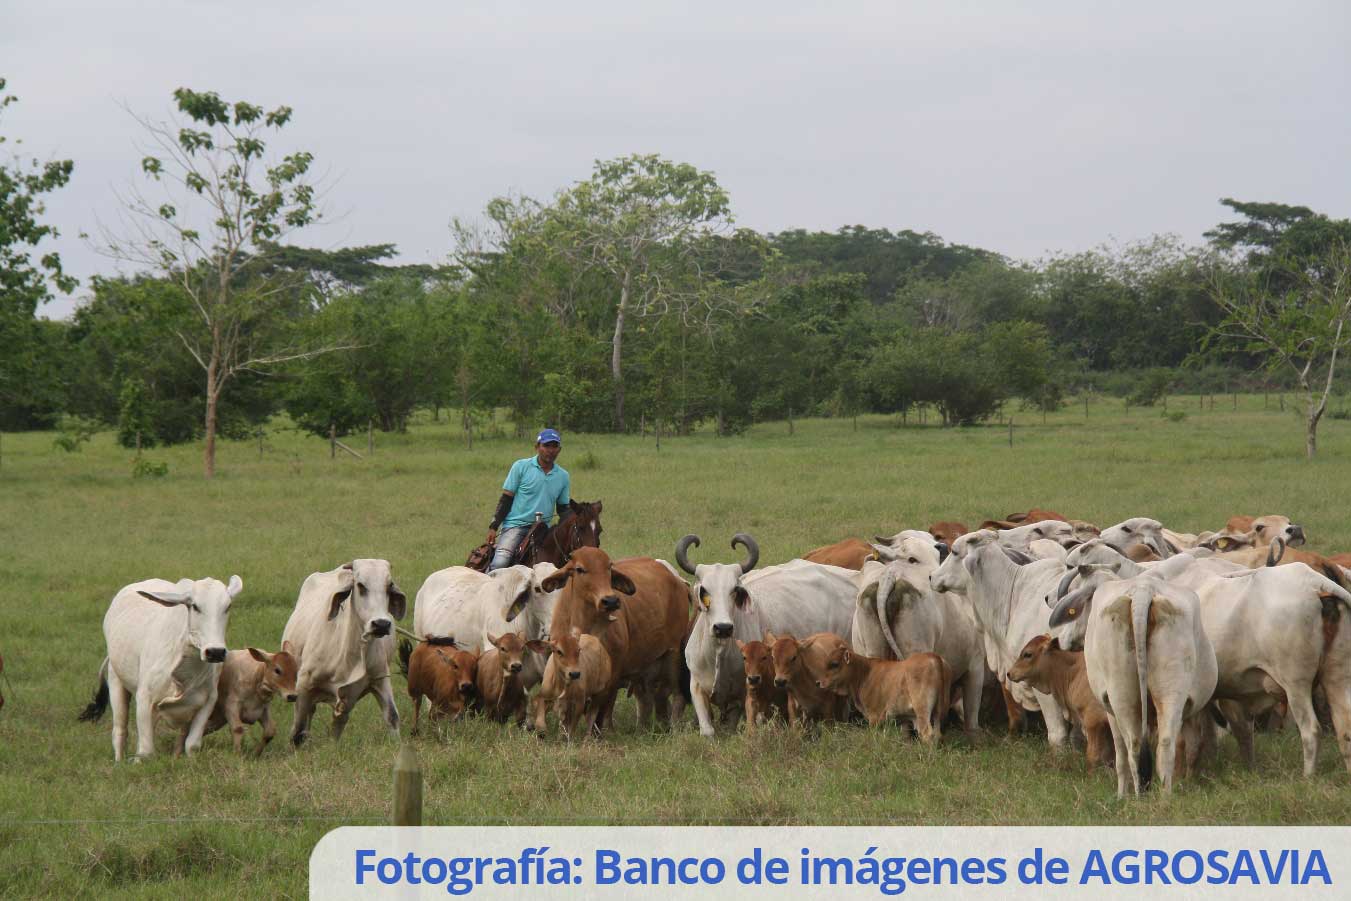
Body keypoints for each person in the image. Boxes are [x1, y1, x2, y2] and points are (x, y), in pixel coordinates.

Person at [486, 428, 571, 571]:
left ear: (559, 449)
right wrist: (493, 526)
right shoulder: (521, 466)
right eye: (546, 446)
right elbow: (506, 499)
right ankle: (487, 588)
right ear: (537, 447)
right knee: (500, 564)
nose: (550, 450)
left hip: (543, 528)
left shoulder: (563, 476)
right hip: (516, 526)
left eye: (554, 446)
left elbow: (563, 508)